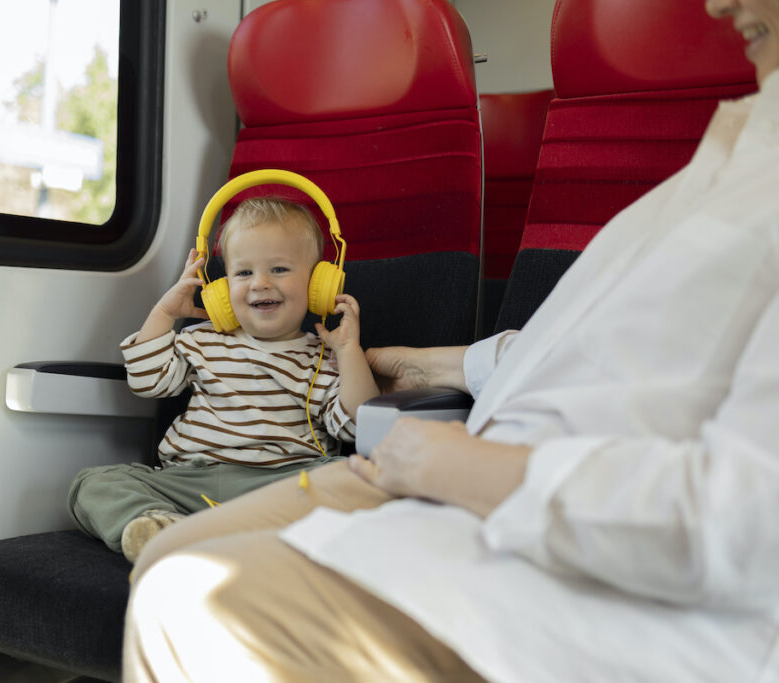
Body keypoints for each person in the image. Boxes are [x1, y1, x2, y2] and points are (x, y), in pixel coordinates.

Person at [121, 0, 779, 679]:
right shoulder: (730, 149)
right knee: (168, 555)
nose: (717, 6)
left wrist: (454, 463)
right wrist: (452, 364)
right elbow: (611, 346)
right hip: (473, 462)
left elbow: (746, 514)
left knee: (188, 598)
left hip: (558, 524)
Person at [68, 197, 378, 562]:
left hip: (281, 483)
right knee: (93, 484)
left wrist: (350, 351)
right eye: (243, 273)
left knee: (353, 475)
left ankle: (258, 532)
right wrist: (166, 312)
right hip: (190, 482)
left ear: (317, 284)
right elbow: (148, 381)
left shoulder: (324, 356)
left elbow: (356, 425)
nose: (260, 283)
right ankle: (158, 528)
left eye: (279, 269)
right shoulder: (201, 339)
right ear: (221, 289)